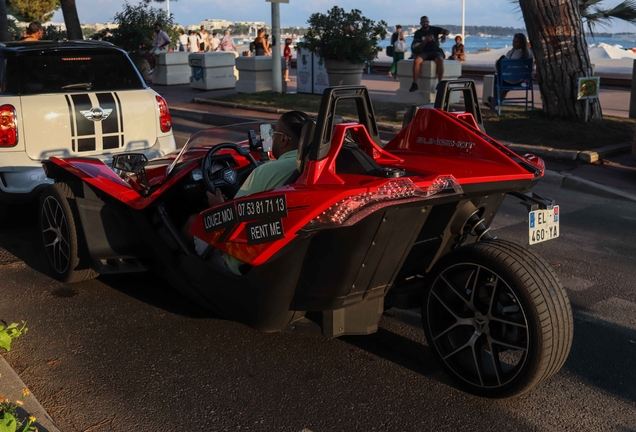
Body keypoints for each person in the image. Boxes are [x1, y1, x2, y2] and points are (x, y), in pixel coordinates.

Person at [183, 110, 309, 275]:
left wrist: (217, 205)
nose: (271, 138)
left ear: (283, 139)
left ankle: (187, 271)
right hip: (280, 250)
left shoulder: (265, 171)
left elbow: (231, 218)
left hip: (238, 261)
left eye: (274, 133)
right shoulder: (310, 167)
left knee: (193, 222)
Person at [487, 33, 534, 109]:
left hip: (508, 80)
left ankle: (495, 100)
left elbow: (503, 66)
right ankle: (495, 101)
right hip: (521, 81)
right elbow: (531, 68)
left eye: (516, 42)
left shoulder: (511, 53)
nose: (513, 43)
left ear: (521, 43)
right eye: (513, 41)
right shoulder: (529, 53)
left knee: (497, 76)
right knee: (504, 88)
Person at [409, 16, 449, 92]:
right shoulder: (418, 33)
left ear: (428, 22)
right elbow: (416, 47)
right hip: (424, 52)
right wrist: (425, 41)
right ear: (421, 23)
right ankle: (414, 83)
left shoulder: (434, 29)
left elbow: (447, 31)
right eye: (423, 22)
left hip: (435, 51)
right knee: (417, 61)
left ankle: (440, 83)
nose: (425, 23)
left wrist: (444, 35)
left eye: (426, 22)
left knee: (440, 60)